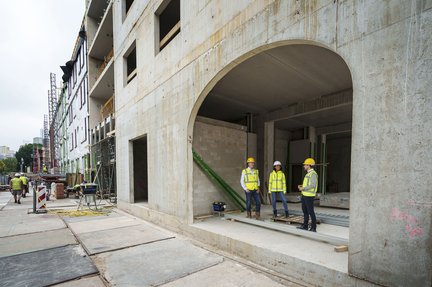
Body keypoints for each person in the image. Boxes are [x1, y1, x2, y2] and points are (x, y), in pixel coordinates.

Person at [297, 158, 318, 232]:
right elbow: (308, 184)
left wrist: (303, 188)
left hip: (309, 196)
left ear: (309, 165)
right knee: (305, 211)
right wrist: (302, 186)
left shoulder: (313, 174)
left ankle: (313, 228)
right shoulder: (308, 174)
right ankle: (305, 226)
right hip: (304, 195)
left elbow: (313, 185)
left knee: (310, 212)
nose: (304, 166)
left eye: (305, 165)